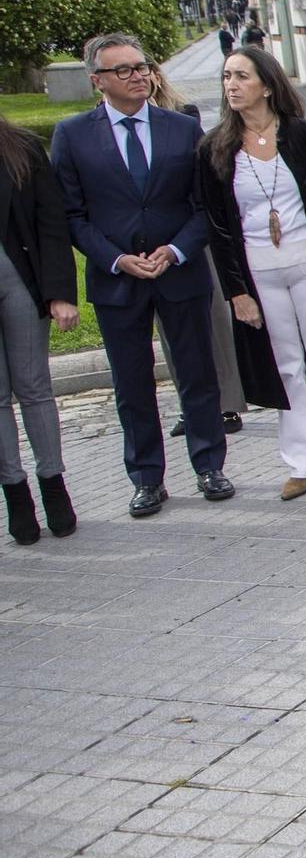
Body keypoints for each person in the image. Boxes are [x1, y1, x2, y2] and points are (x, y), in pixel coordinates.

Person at [51, 33, 235, 516]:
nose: (139, 76)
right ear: (98, 81)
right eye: (124, 70)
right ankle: (147, 478)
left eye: (142, 66)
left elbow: (204, 205)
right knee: (132, 385)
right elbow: (70, 214)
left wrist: (175, 250)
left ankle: (209, 465)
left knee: (197, 373)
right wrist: (115, 258)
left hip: (179, 272)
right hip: (118, 279)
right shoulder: (72, 135)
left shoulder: (181, 127)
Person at [196, 47, 306, 499]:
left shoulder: (303, 136)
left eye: (241, 76)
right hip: (258, 267)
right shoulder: (216, 147)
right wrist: (236, 290)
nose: (231, 85)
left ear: (268, 85)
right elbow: (217, 226)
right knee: (286, 365)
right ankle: (301, 461)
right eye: (226, 77)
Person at [148, 61, 250, 438]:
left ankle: (226, 404)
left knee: (214, 325)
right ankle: (189, 406)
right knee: (171, 336)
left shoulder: (183, 118)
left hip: (190, 235)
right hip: (149, 247)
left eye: (143, 71)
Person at [0, 116, 79, 543]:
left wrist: (61, 293)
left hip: (20, 281)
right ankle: (14, 493)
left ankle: (53, 483)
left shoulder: (21, 147)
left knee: (34, 387)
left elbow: (52, 222)